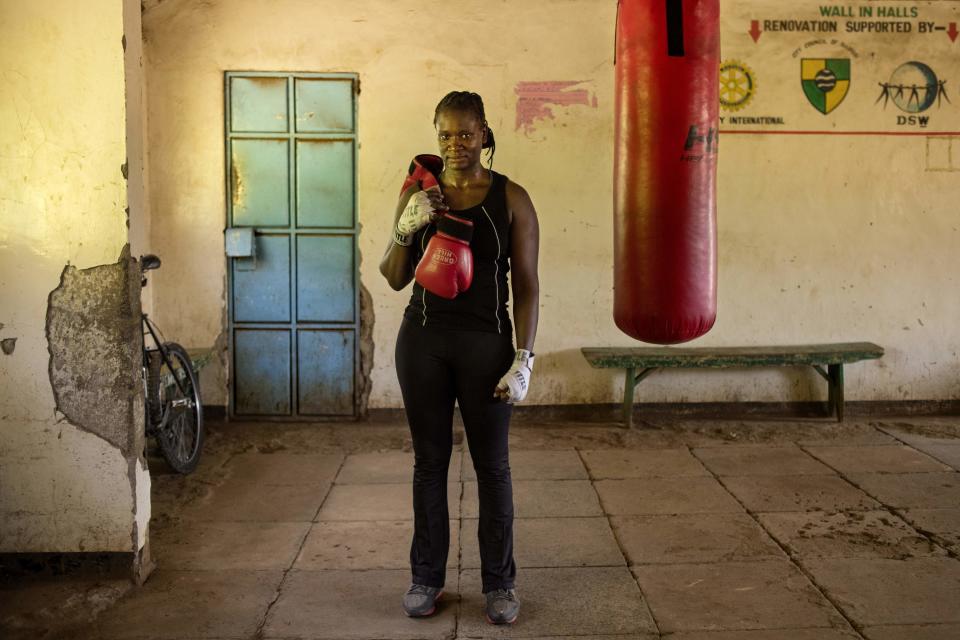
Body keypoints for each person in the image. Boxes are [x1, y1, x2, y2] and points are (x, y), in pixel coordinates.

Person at [379, 90, 540, 625]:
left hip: (486, 348)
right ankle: (426, 577)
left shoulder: (511, 198)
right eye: (445, 134)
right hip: (422, 341)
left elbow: (529, 286)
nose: (455, 145)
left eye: (466, 133)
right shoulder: (422, 194)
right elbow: (395, 276)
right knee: (430, 464)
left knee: (493, 467)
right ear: (436, 133)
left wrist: (525, 358)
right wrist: (405, 226)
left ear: (484, 132)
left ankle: (500, 585)